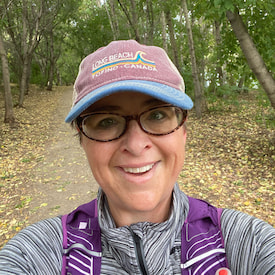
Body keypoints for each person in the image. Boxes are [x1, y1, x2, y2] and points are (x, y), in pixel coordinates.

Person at [0, 40, 274, 275]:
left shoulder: (248, 244)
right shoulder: (40, 253)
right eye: (106, 121)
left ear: (183, 131)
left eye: (157, 115)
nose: (135, 143)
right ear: (82, 140)